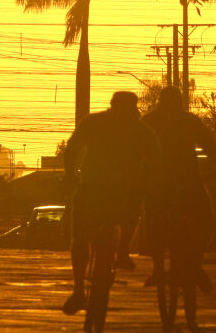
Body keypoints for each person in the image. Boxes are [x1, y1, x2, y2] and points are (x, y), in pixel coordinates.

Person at [61, 91, 161, 315]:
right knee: (134, 210)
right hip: (124, 194)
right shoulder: (141, 129)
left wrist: (71, 175)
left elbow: (72, 150)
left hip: (92, 190)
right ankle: (123, 251)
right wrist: (148, 184)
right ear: (133, 108)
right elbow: (156, 162)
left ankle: (78, 290)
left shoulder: (94, 122)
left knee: (80, 239)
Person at [142, 86, 216, 332]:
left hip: (160, 188)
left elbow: (135, 151)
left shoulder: (149, 121)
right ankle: (194, 264)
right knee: (205, 218)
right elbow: (210, 146)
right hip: (188, 186)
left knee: (151, 218)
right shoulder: (189, 120)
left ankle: (157, 266)